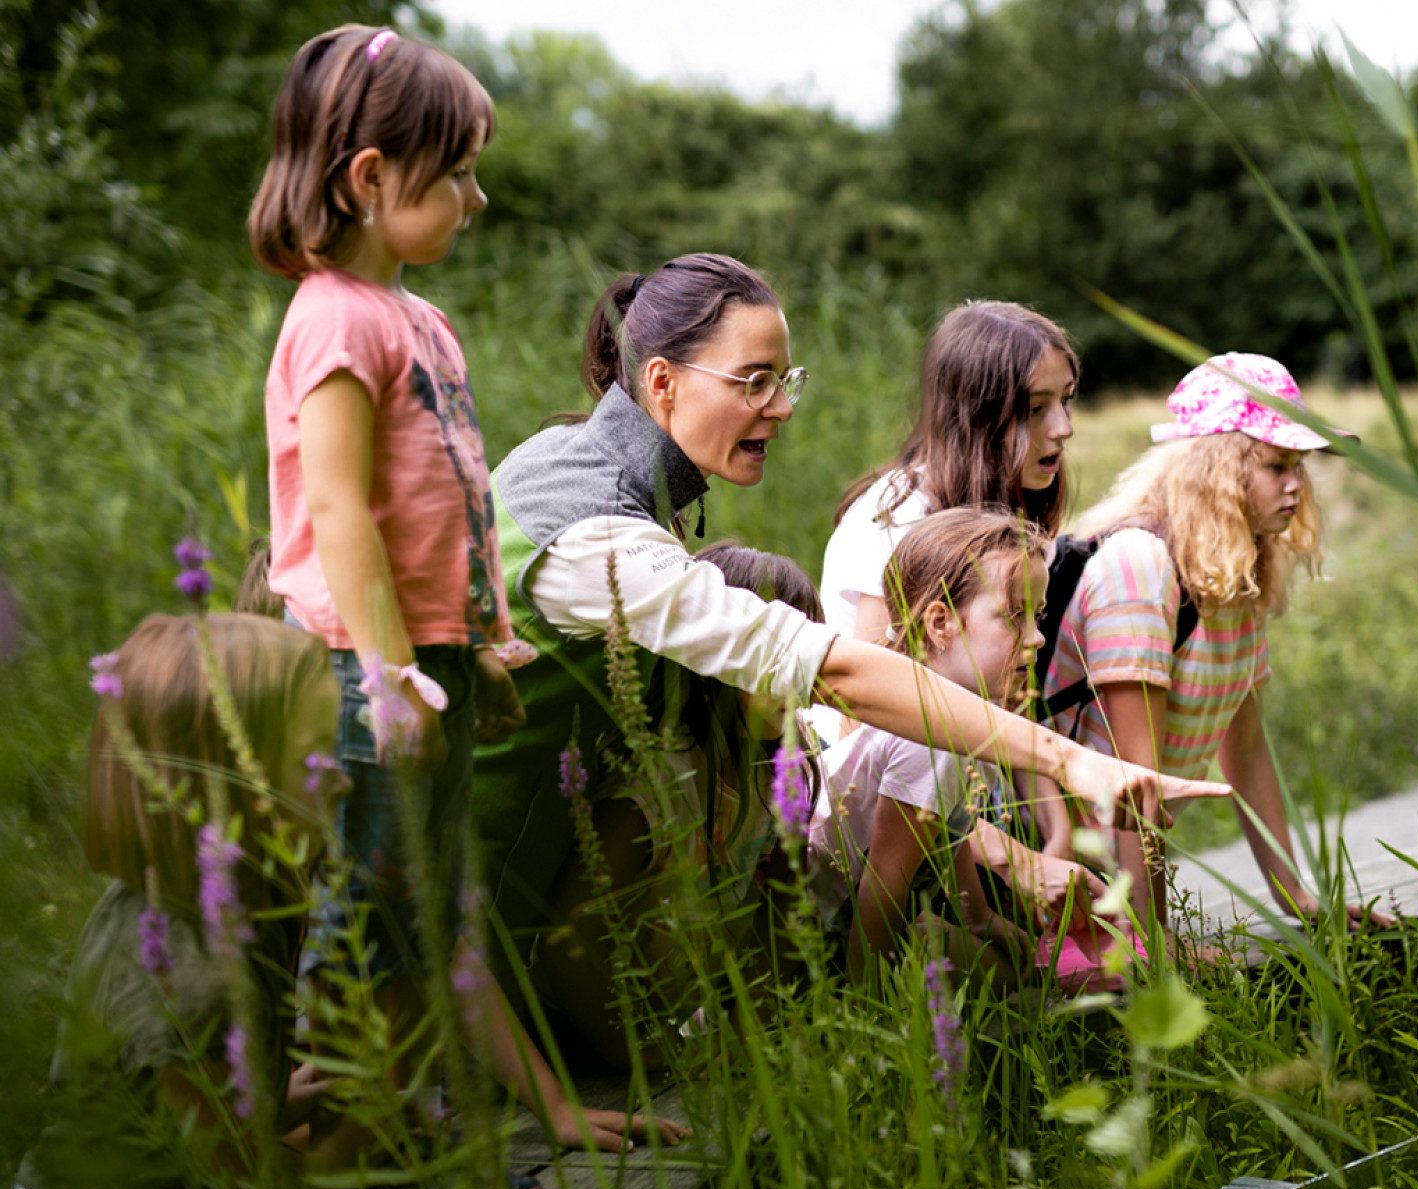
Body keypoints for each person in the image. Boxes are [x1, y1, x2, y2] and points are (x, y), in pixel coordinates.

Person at [470, 257, 1223, 1065]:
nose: (784, 407)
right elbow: (837, 671)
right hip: (463, 913)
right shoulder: (598, 536)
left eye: (784, 378)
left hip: (497, 917)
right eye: (754, 382)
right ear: (662, 382)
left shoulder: (566, 459)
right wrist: (1076, 764)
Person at [247, 23, 635, 1155]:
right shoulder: (328, 318)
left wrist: (481, 649)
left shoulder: (425, 323)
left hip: (433, 665)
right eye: (455, 171)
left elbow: (454, 506)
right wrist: (388, 673)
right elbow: (339, 512)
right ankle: (317, 1152)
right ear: (370, 179)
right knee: (364, 923)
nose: (476, 197)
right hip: (365, 674)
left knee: (433, 912)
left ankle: (511, 1120)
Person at [0, 615, 350, 1189]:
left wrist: (268, 1094)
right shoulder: (194, 978)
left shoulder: (193, 900)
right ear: (232, 786)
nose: (345, 775)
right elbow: (240, 1178)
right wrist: (364, 1158)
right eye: (318, 752)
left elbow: (171, 1106)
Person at [1040, 353, 1393, 940]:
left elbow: (1246, 748)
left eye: (1299, 466)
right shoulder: (1140, 566)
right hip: (1048, 864)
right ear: (1218, 471)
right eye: (1278, 465)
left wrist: (1296, 897)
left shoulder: (1233, 569)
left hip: (1106, 872)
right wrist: (1153, 944)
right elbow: (1134, 782)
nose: (1295, 485)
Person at [524, 539, 823, 1068]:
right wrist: (645, 1053)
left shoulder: (780, 772)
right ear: (711, 658)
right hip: (571, 1041)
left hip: (667, 1029)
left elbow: (776, 922)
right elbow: (564, 940)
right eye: (772, 653)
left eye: (801, 654)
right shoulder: (661, 778)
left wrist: (749, 1035)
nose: (794, 677)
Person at [811, 509, 1112, 986]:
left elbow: (948, 828)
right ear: (941, 624)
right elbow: (881, 890)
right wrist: (865, 1022)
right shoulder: (930, 739)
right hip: (815, 934)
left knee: (1009, 963)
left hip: (860, 913)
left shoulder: (958, 716)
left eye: (1037, 617)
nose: (1035, 638)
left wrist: (978, 917)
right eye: (1015, 616)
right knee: (1006, 978)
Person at [819, 301, 1078, 648]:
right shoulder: (898, 519)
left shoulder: (1017, 504)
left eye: (1067, 399)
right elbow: (867, 685)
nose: (1064, 427)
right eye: (1035, 409)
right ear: (978, 418)